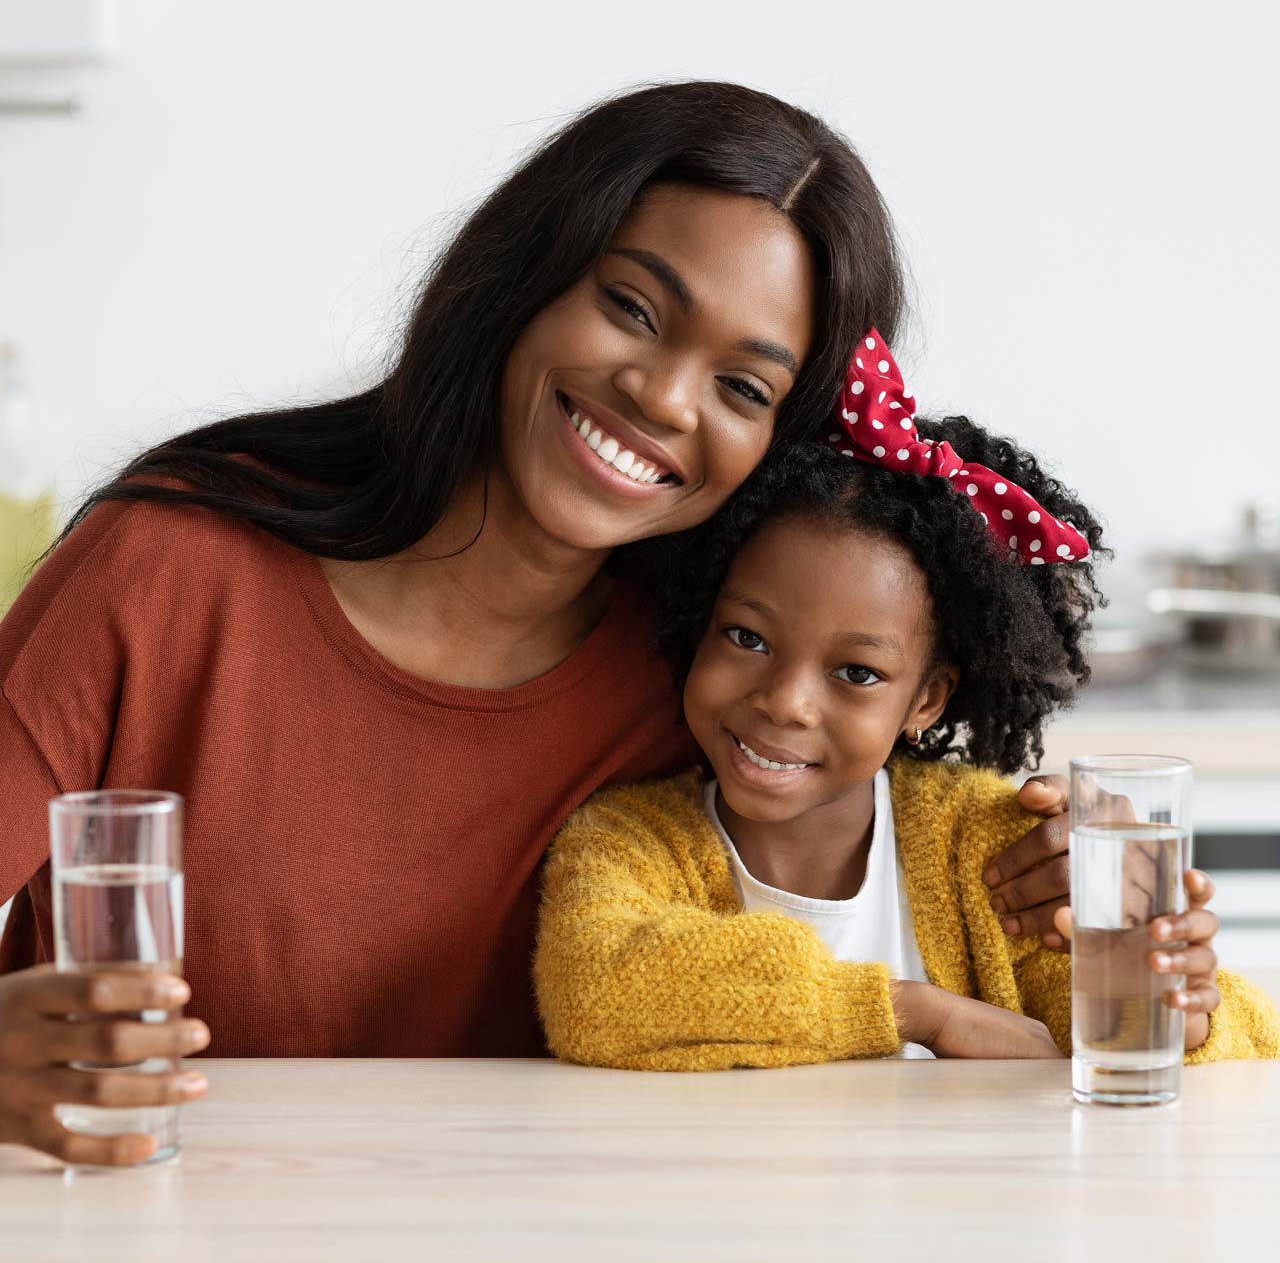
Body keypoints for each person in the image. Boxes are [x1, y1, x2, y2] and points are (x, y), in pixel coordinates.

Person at [1, 82, 1072, 1166]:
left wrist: (1070, 874)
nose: (662, 396)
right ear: (524, 277)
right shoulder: (168, 570)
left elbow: (902, 886)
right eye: (632, 308)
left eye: (742, 387)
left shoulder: (707, 675)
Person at [534, 333, 1279, 1069]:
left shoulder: (992, 852)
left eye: (856, 673)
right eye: (747, 637)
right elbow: (597, 992)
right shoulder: (627, 840)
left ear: (926, 700)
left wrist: (1172, 1008)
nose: (786, 703)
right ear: (700, 622)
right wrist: (920, 1014)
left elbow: (1230, 1044)